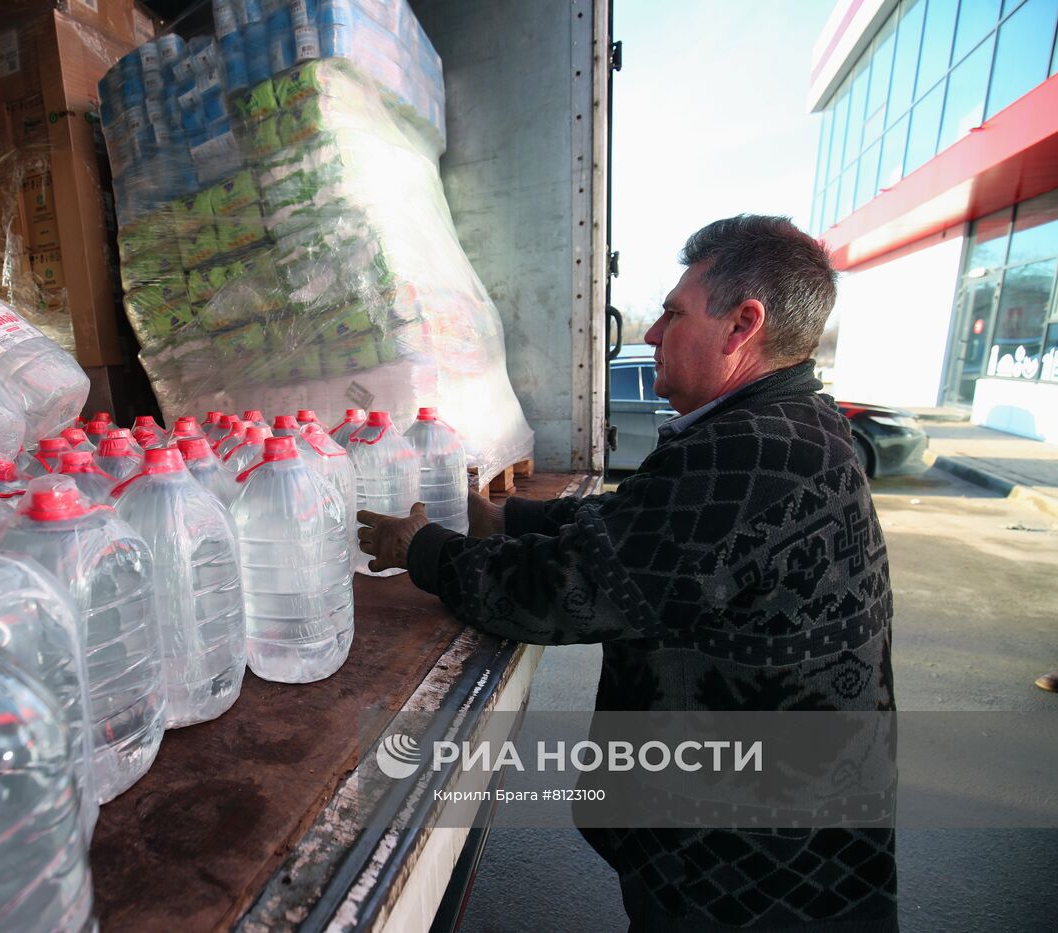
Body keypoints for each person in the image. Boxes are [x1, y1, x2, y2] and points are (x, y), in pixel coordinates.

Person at [359, 215, 898, 931]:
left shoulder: (752, 452)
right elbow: (652, 524)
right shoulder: (798, 425)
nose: (650, 335)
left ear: (743, 325)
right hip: (801, 837)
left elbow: (561, 592)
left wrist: (421, 548)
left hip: (748, 869)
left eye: (672, 315)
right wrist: (512, 519)